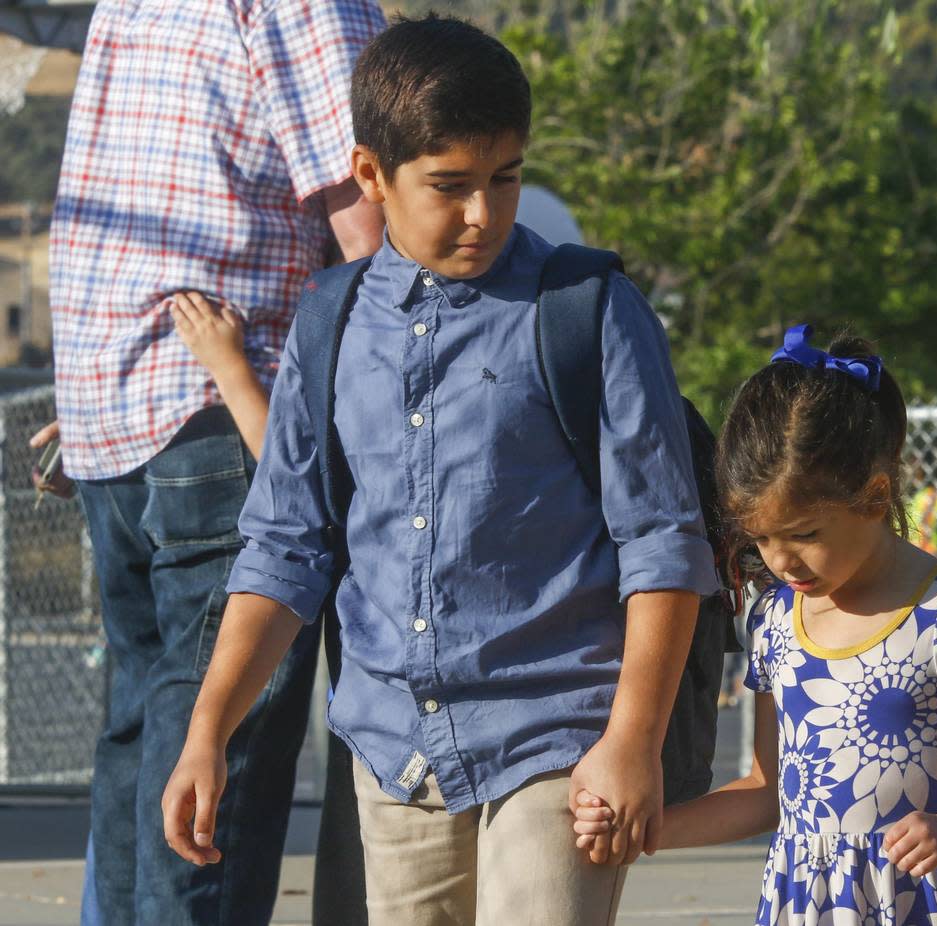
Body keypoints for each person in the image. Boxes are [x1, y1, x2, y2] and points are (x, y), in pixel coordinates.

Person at [161, 14, 719, 926]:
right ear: (370, 175)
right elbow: (282, 550)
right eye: (449, 185)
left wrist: (633, 740)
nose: (483, 213)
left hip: (559, 740)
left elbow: (662, 543)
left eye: (506, 179)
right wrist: (207, 731)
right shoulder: (327, 324)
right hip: (393, 753)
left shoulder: (591, 310)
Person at [39, 1, 386, 922]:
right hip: (229, 410)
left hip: (109, 400)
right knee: (211, 755)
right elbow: (372, 217)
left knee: (140, 743)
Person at [574, 325, 937, 924]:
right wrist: (644, 827)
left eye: (805, 534)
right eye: (761, 538)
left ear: (876, 498)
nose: (781, 561)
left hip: (921, 903)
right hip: (803, 906)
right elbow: (763, 791)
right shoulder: (774, 619)